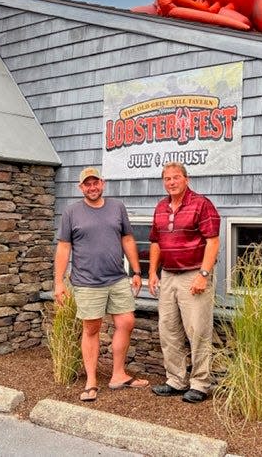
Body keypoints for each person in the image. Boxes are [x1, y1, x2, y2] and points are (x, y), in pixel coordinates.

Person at [53, 167, 148, 402]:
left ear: (102, 183)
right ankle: (91, 381)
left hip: (117, 278)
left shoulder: (117, 207)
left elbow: (127, 239)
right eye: (87, 184)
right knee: (91, 329)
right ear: (80, 187)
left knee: (126, 322)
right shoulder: (72, 212)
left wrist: (137, 271)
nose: (92, 187)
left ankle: (118, 375)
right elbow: (64, 248)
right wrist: (58, 282)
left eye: (96, 183)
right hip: (87, 281)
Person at [148, 162, 220, 403]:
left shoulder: (201, 204)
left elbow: (212, 241)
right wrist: (152, 272)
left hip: (194, 275)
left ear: (186, 179)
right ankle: (176, 380)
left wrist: (204, 274)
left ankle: (200, 383)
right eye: (167, 178)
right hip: (168, 275)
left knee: (197, 330)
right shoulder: (160, 207)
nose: (171, 182)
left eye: (176, 177)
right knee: (168, 329)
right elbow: (156, 242)